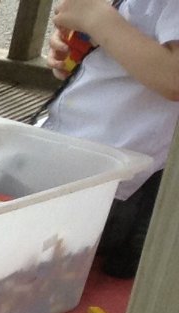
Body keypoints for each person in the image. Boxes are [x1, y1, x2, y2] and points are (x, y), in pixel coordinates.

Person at [40, 0, 179, 278]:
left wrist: (97, 19)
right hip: (71, 152)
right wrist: (75, 53)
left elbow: (173, 77)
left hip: (118, 186)